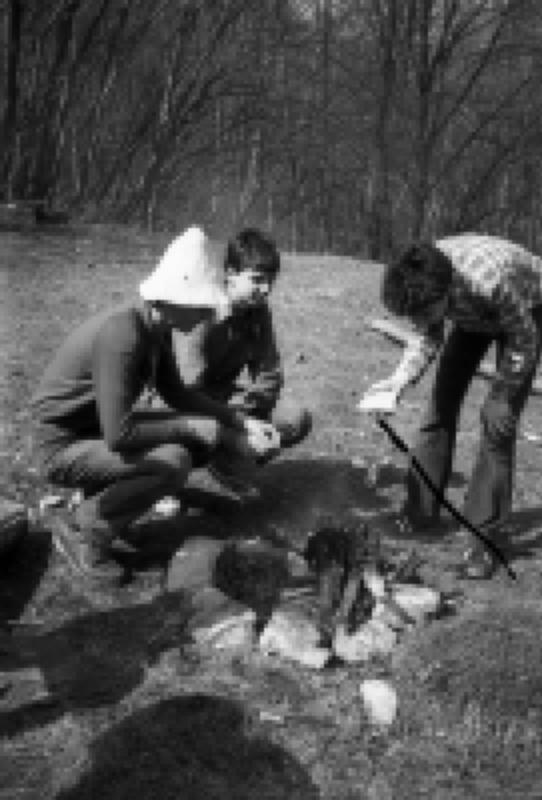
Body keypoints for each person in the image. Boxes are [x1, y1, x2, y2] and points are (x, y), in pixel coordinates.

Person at [32, 226, 280, 581]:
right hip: (60, 445)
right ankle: (85, 532)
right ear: (176, 298)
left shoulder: (154, 329)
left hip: (91, 429)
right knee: (172, 462)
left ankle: (100, 510)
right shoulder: (124, 334)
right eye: (200, 306)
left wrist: (238, 421)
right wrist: (190, 427)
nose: (205, 316)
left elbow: (178, 394)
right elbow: (118, 435)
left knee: (182, 445)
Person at [362, 233, 542, 579]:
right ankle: (419, 511)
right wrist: (398, 382)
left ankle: (484, 537)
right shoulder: (425, 281)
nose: (417, 322)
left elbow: (525, 338)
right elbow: (427, 336)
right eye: (412, 316)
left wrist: (504, 395)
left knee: (497, 423)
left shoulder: (490, 280)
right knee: (439, 407)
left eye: (423, 313)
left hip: (526, 311)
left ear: (445, 293)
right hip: (471, 315)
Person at [169, 227, 312, 497]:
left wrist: (248, 413)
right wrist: (236, 426)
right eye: (257, 280)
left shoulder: (258, 312)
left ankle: (227, 464)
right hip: (179, 404)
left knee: (294, 418)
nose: (265, 290)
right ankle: (169, 476)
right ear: (230, 274)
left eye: (270, 281)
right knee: (200, 433)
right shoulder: (201, 310)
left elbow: (269, 373)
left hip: (226, 399)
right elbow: (187, 390)